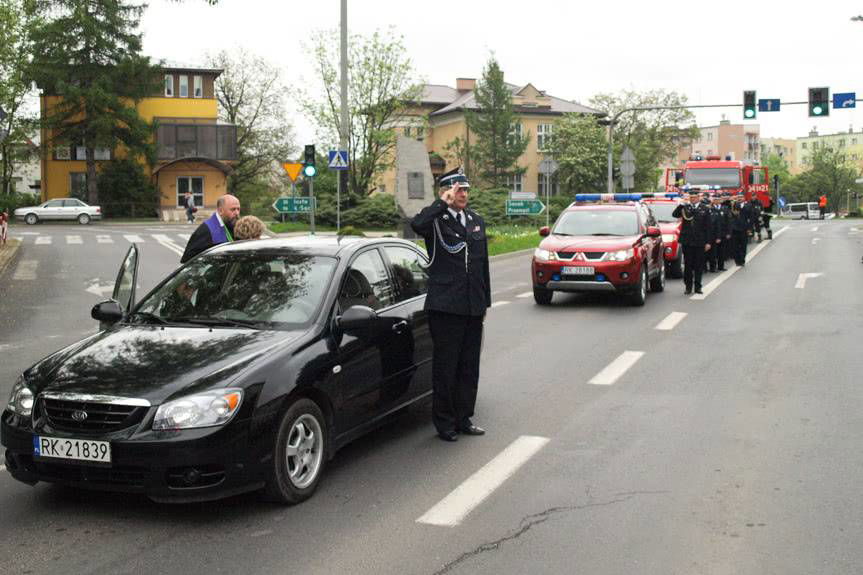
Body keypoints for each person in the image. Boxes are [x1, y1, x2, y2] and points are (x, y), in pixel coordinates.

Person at [411, 167, 490, 442]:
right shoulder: (435, 221)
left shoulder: (476, 221)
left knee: (469, 366)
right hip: (446, 308)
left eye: (466, 190)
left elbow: (482, 268)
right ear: (446, 191)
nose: (463, 194)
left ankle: (463, 417)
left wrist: (484, 302)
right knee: (447, 368)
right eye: (458, 190)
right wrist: (440, 203)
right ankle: (444, 423)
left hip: (472, 306)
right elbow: (416, 225)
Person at [672, 189, 712, 294]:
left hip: (700, 241)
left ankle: (698, 286)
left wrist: (708, 242)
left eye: (694, 197)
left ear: (698, 197)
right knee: (688, 265)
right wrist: (681, 204)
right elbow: (675, 215)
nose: (693, 199)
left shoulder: (705, 209)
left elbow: (708, 227)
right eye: (691, 197)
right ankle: (688, 287)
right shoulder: (685, 207)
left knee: (699, 265)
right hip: (687, 241)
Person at [180, 194, 240, 263]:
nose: (237, 213)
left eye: (238, 209)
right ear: (220, 211)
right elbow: (187, 259)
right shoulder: (206, 230)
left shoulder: (234, 226)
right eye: (233, 209)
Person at [730, 192, 753, 267]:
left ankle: (742, 260)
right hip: (735, 229)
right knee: (735, 246)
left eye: (741, 197)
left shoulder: (748, 205)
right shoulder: (734, 205)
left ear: (744, 198)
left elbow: (751, 218)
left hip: (744, 228)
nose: (740, 198)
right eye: (738, 197)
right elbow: (732, 215)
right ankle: (737, 261)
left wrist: (749, 229)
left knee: (743, 246)